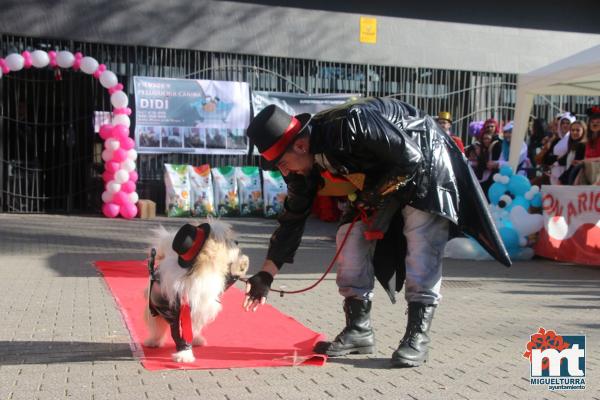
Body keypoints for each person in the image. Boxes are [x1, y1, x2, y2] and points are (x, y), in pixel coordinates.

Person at [243, 98, 510, 368]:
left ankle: (417, 336)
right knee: (349, 237)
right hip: (386, 177)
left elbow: (410, 158)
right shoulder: (301, 162)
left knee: (421, 243)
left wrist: (371, 197)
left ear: (300, 145)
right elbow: (293, 218)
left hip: (426, 161)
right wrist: (266, 274)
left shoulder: (350, 123)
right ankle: (358, 330)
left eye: (282, 163)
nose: (283, 171)